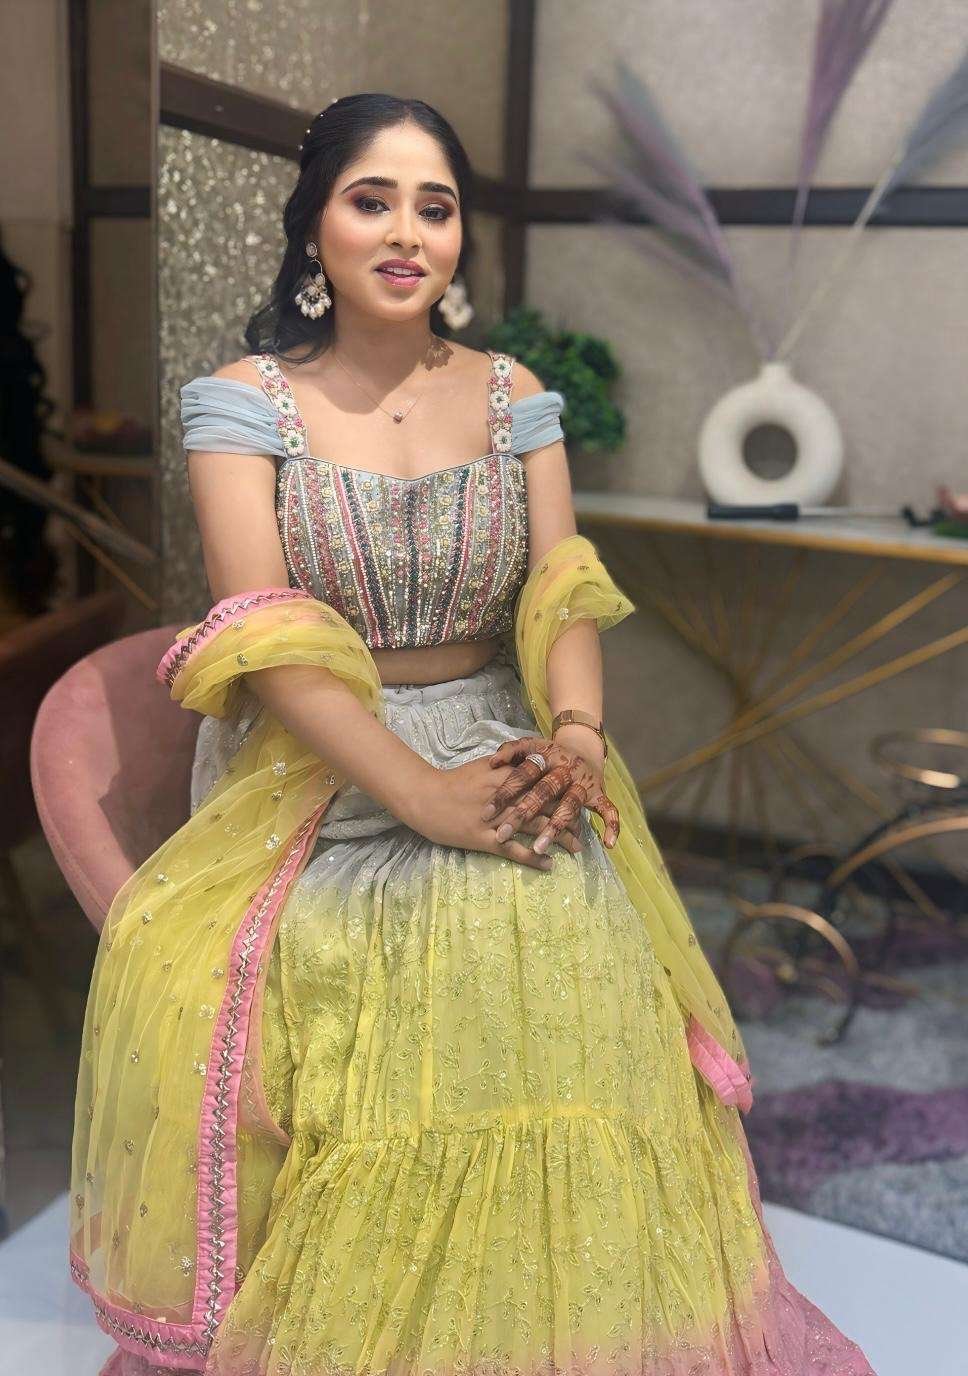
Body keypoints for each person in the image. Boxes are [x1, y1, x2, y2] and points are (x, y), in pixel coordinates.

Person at [69, 94, 876, 1376]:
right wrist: (421, 795)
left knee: (565, 914)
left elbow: (560, 588)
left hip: (503, 726)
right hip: (316, 759)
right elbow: (266, 633)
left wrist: (576, 735)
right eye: (371, 200)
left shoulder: (514, 397)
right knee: (394, 958)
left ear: (457, 238)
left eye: (434, 207)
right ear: (313, 225)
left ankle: (569, 1324)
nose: (406, 232)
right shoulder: (244, 402)